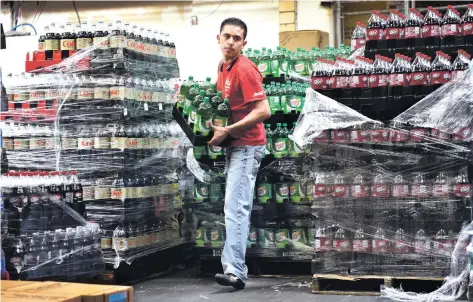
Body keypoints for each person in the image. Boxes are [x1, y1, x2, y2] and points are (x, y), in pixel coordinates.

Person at [209, 17, 271, 290]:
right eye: (227, 36)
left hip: (247, 146)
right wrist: (215, 131)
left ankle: (235, 271)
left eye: (236, 38)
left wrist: (229, 129)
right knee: (233, 207)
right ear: (218, 38)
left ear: (244, 43)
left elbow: (263, 111)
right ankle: (233, 267)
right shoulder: (223, 66)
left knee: (236, 208)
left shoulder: (245, 69)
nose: (231, 41)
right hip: (234, 144)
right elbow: (224, 106)